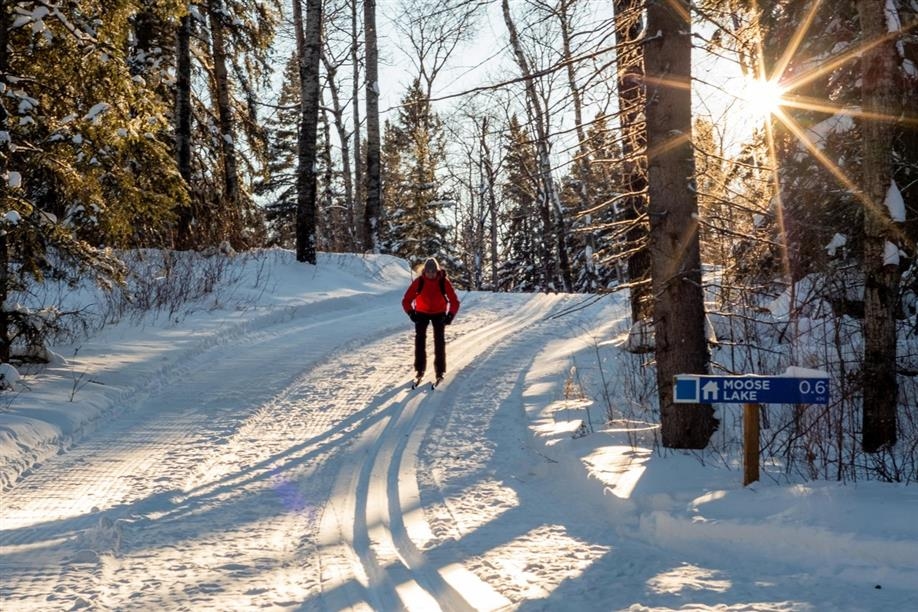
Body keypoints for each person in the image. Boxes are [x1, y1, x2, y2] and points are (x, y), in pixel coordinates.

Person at [402, 257, 460, 382]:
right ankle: (419, 369)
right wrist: (411, 313)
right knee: (420, 340)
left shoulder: (443, 282)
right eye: (428, 271)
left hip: (439, 313)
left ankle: (440, 371)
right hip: (421, 313)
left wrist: (450, 315)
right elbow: (406, 300)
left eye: (433, 271)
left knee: (439, 341)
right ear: (424, 271)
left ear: (437, 270)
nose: (431, 274)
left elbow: (454, 301)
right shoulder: (419, 281)